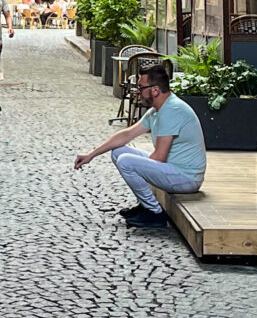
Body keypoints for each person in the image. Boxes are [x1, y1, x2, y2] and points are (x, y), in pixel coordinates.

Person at [73, 59, 205, 228]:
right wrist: (91, 154)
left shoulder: (171, 111)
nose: (137, 91)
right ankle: (145, 205)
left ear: (155, 90)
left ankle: (154, 212)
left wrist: (140, 167)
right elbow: (127, 134)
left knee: (126, 161)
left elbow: (159, 158)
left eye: (141, 88)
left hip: (187, 178)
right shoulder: (158, 110)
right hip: (173, 168)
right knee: (118, 151)